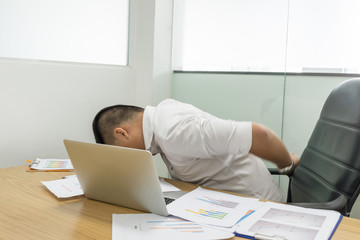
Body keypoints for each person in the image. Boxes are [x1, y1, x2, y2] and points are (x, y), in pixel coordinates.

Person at [92, 98, 300, 202]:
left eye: (121, 152)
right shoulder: (163, 114)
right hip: (222, 203)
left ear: (122, 133)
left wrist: (287, 165)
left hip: (255, 207)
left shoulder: (173, 132)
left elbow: (258, 135)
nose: (128, 158)